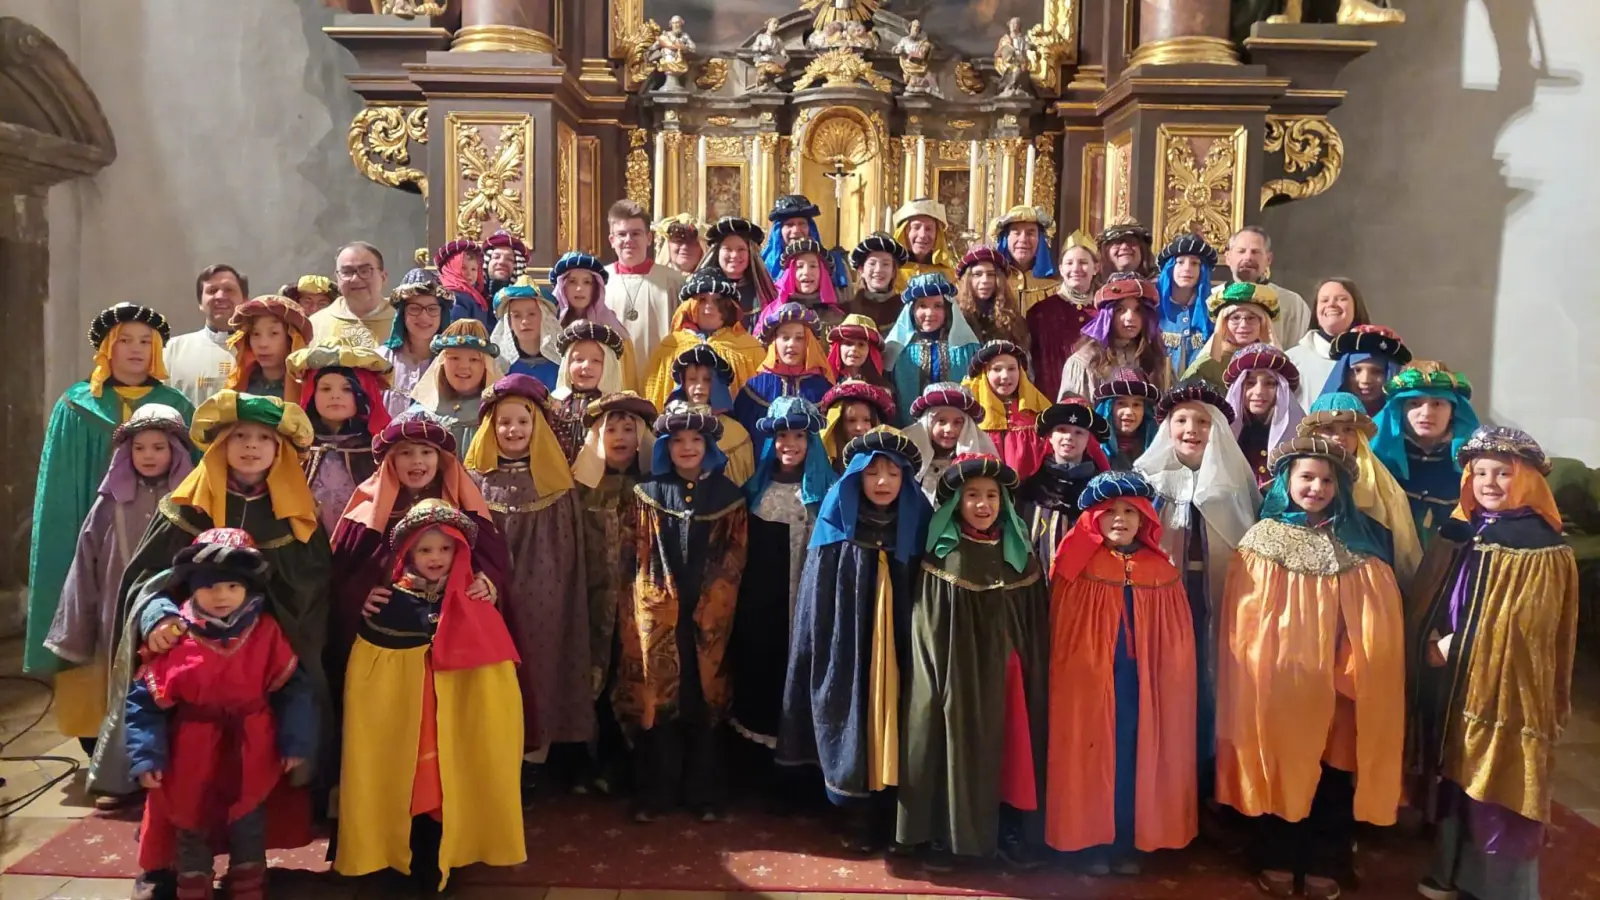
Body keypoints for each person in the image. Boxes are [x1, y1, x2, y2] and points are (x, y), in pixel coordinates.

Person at [105, 394, 331, 900]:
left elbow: (313, 592)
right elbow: (146, 580)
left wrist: (274, 628)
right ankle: (171, 865)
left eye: (264, 440)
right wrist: (158, 614)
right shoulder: (187, 507)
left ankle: (252, 865)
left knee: (257, 777)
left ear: (281, 451)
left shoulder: (297, 513)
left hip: (264, 663)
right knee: (181, 785)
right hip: (190, 662)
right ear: (222, 447)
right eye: (240, 439)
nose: (251, 448)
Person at [1215, 438, 1405, 900]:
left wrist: (1351, 666)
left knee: (1334, 770)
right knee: (1282, 763)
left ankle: (1327, 857)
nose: (1316, 487)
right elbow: (1245, 621)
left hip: (1341, 687)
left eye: (1326, 479)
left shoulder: (1363, 541)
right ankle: (1277, 854)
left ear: (1340, 486)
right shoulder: (1261, 543)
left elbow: (1377, 618)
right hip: (1283, 685)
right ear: (1286, 481)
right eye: (1306, 477)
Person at [1411, 427, 1578, 900]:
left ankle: (1502, 889)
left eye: (1503, 473)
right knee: (1458, 774)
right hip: (1460, 681)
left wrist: (1454, 645)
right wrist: (1435, 634)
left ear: (1526, 480)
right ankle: (1452, 870)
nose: (1488, 482)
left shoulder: (1538, 547)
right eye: (1479, 472)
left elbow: (1526, 628)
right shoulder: (1468, 527)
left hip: (1506, 685)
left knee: (1498, 778)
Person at [334, 499, 525, 893]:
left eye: (445, 548)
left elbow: (496, 683)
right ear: (408, 553)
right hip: (406, 726)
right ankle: (401, 863)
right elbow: (366, 676)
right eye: (425, 549)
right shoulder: (388, 604)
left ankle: (447, 860)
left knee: (449, 788)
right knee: (406, 789)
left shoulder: (475, 603)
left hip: (453, 728)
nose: (436, 558)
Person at [124, 528, 318, 900]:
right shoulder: (174, 637)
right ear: (192, 588)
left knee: (249, 820)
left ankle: (247, 885)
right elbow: (144, 703)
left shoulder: (265, 631)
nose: (222, 596)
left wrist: (296, 741)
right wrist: (145, 754)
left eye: (232, 586)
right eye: (211, 586)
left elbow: (294, 689)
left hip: (252, 747)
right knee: (190, 821)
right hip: (190, 751)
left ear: (248, 588)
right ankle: (193, 885)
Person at [26, 304, 193, 732]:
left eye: (145, 341)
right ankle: (92, 729)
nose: (136, 350)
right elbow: (60, 489)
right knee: (92, 617)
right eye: (125, 339)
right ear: (106, 348)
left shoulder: (176, 407)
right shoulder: (76, 405)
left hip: (158, 544)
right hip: (100, 540)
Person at [779, 427, 931, 852]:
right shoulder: (836, 523)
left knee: (902, 717)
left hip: (904, 646)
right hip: (849, 647)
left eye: (893, 474)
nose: (882, 482)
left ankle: (897, 813)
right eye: (872, 473)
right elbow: (816, 600)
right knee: (852, 714)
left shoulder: (918, 521)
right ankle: (856, 813)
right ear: (857, 478)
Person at [897, 453, 1049, 868]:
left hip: (1010, 677)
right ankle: (946, 835)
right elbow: (927, 627)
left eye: (992, 497)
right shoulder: (943, 557)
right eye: (973, 496)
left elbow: (1034, 620)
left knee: (1014, 752)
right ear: (956, 503)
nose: (983, 505)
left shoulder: (1021, 554)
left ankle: (1009, 828)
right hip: (956, 676)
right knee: (948, 746)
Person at [1045, 471, 1197, 873]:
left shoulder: (1160, 569)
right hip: (1090, 681)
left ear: (1145, 518)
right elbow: (1061, 632)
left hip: (1139, 682)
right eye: (1110, 511)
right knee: (1091, 753)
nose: (1120, 519)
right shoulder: (1075, 562)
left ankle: (1129, 839)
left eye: (1130, 511)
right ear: (1093, 517)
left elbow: (1176, 641)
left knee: (1134, 754)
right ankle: (1091, 842)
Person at [325, 413, 507, 738]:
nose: (417, 461)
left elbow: (494, 558)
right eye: (406, 452)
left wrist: (487, 580)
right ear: (390, 461)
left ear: (441, 458)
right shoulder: (366, 515)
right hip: (389, 645)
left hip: (455, 636)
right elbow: (340, 573)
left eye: (426, 451)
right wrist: (359, 595)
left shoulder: (463, 505)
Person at [46, 403, 194, 789]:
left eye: (158, 447)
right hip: (118, 612)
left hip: (174, 615)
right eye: (139, 448)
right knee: (126, 690)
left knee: (172, 688)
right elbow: (85, 563)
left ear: (175, 452)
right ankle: (120, 774)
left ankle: (172, 774)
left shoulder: (190, 505)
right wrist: (76, 625)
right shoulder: (109, 503)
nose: (148, 456)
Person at [615, 411, 748, 822]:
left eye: (696, 440)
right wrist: (653, 602)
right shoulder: (646, 492)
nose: (687, 447)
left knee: (701, 696)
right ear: (664, 447)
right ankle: (654, 793)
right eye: (677, 441)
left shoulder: (729, 496)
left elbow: (734, 556)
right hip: (658, 615)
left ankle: (703, 794)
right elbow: (633, 556)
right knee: (658, 697)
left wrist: (711, 603)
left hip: (708, 615)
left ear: (709, 447)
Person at [1135, 380, 1260, 798]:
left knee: (1210, 684)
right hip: (1163, 597)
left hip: (1216, 598)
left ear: (1218, 429)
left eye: (1203, 422)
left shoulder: (1233, 484)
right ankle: (1161, 785)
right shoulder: (1146, 479)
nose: (1191, 429)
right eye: (1182, 420)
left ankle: (1208, 785)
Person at [466, 375, 593, 783]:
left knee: (540, 662)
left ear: (536, 426)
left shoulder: (556, 483)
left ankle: (535, 758)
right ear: (490, 427)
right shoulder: (472, 481)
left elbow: (567, 551)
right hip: (486, 592)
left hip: (544, 589)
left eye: (522, 421)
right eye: (504, 422)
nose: (513, 430)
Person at [729, 397, 835, 793]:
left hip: (807, 604)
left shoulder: (828, 494)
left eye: (798, 437)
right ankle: (762, 774)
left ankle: (804, 773)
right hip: (764, 606)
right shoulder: (753, 490)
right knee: (763, 673)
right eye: (781, 437)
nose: (789, 444)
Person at [571, 391, 657, 794]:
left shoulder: (653, 489)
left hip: (638, 600)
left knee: (633, 677)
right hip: (588, 599)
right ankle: (591, 761)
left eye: (629, 429)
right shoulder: (578, 489)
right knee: (592, 678)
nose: (621, 437)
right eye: (612, 429)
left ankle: (631, 764)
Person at [1297, 392, 1422, 582]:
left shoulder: (1384, 488)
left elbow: (1401, 548)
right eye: (1329, 429)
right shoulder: (1294, 480)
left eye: (1348, 429)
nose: (1339, 437)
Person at [286, 338, 392, 534]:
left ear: (363, 393)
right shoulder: (295, 446)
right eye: (325, 388)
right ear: (311, 394)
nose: (335, 396)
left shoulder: (377, 449)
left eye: (347, 389)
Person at [1372, 361, 1481, 544]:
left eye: (1437, 404)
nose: (1426, 413)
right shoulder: (1376, 459)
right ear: (1400, 409)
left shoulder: (1476, 462)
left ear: (1453, 411)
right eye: (1414, 403)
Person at [642, 273, 766, 408]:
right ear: (690, 305)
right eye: (702, 300)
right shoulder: (670, 346)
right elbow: (654, 394)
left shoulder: (750, 348)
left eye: (717, 301)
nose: (709, 306)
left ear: (728, 306)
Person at [1017, 396, 1109, 571]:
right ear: (1050, 437)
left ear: (1088, 439)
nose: (1069, 437)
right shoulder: (1030, 490)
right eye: (1062, 429)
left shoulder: (1099, 490)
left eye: (1078, 432)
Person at [885, 273, 981, 424]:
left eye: (938, 306)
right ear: (912, 310)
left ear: (948, 310)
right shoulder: (896, 351)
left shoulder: (966, 349)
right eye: (922, 305)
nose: (930, 313)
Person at [1059, 274, 1172, 401]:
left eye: (1138, 310)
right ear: (1106, 316)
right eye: (1120, 309)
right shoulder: (1084, 362)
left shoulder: (1157, 359)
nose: (1130, 317)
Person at [734, 302, 836, 436]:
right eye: (785, 338)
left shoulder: (824, 390)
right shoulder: (753, 390)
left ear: (809, 343)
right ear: (774, 342)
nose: (791, 344)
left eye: (799, 338)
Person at [408, 319, 505, 455]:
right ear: (442, 363)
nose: (463, 366)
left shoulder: (499, 413)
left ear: (486, 366)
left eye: (474, 360)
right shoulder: (420, 415)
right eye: (454, 358)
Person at [666, 343, 757, 486]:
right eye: (692, 379)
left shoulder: (736, 433)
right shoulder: (670, 424)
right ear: (683, 384)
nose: (699, 385)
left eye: (707, 380)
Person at [605, 199, 684, 362]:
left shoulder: (673, 281)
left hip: (661, 374)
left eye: (636, 233)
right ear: (612, 241)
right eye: (621, 234)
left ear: (649, 238)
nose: (628, 240)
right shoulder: (600, 280)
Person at [965, 339, 1053, 482]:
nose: (1005, 376)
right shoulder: (970, 413)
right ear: (984, 372)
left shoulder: (1038, 410)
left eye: (1012, 368)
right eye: (997, 369)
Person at [550, 251, 641, 389]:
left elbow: (625, 383)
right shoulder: (548, 326)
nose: (579, 289)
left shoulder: (615, 332)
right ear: (562, 286)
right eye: (572, 282)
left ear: (596, 288)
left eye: (587, 282)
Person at [1029, 231, 1098, 402]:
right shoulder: (1040, 312)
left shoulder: (1104, 312)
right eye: (1069, 263)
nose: (1076, 269)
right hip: (1050, 402)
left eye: (1083, 262)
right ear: (1061, 269)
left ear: (1096, 268)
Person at [1224, 343, 1306, 488]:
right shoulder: (1223, 433)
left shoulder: (1299, 433)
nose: (1259, 391)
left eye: (1269, 384)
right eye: (1250, 383)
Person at [902, 382, 999, 503]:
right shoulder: (907, 461)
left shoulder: (982, 458)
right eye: (941, 421)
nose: (949, 429)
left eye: (957, 422)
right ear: (928, 423)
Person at [165, 264, 247, 408]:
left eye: (229, 290)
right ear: (200, 303)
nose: (220, 296)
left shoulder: (259, 349)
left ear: (245, 301)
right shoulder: (172, 350)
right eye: (212, 290)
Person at [548, 321, 630, 463]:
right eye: (578, 359)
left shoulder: (618, 406)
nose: (586, 366)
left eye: (596, 361)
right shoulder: (554, 403)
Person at [1216, 226, 1310, 348]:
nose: (1248, 257)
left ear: (1269, 259)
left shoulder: (1293, 304)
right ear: (1228, 258)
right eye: (1241, 251)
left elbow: (1299, 354)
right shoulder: (1213, 299)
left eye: (1255, 252)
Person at [1285, 277, 1370, 410]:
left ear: (1356, 307)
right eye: (1324, 300)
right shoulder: (1292, 360)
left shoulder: (1373, 358)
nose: (1331, 304)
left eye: (1341, 299)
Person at [378, 270, 451, 417]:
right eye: (414, 308)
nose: (424, 316)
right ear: (401, 314)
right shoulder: (380, 360)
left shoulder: (452, 361)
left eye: (432, 309)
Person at [1184, 281, 1281, 387]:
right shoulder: (1204, 368)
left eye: (1251, 318)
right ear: (1224, 324)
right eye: (1235, 318)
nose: (1243, 325)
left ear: (1262, 323)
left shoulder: (1277, 364)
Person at [225, 295, 314, 403]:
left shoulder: (312, 387)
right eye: (255, 334)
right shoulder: (239, 384)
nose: (263, 344)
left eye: (274, 333)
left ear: (292, 339)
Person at [1155, 234, 1219, 377]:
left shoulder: (1215, 312)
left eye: (1195, 263)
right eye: (1180, 262)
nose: (1187, 269)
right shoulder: (1152, 309)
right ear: (1170, 268)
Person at [697, 215, 778, 324]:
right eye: (727, 249)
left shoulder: (763, 293)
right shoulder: (700, 291)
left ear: (750, 254)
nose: (734, 255)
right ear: (717, 253)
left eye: (741, 249)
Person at [488, 276, 563, 388]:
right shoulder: (499, 367)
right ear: (509, 322)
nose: (525, 321)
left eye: (532, 314)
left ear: (544, 318)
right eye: (517, 316)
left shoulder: (562, 364)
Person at [1319, 324, 1411, 414]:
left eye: (1377, 371)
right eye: (1357, 370)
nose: (1365, 380)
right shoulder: (1325, 415)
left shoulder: (1407, 416)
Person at [315, 241, 394, 344]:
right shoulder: (317, 323)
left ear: (383, 277)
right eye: (347, 272)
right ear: (336, 279)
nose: (355, 279)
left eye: (365, 271)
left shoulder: (405, 323)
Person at [762, 237, 845, 332]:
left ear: (823, 273)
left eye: (813, 266)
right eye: (799, 266)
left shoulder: (837, 318)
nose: (806, 272)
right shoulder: (773, 314)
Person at [763, 193, 845, 288]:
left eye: (802, 224)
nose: (796, 230)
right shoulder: (762, 267)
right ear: (778, 231)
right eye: (789, 225)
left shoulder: (833, 265)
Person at [993, 205, 1063, 314]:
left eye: (1030, 233)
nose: (1023, 239)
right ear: (1005, 238)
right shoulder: (990, 280)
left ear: (1040, 239)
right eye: (1016, 232)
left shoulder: (1057, 285)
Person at [955, 245, 1028, 347]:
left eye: (991, 274)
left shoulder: (1012, 319)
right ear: (967, 279)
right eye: (977, 274)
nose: (985, 280)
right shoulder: (954, 316)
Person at [1093, 368, 1161, 471]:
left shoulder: (1157, 449)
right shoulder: (1091, 451)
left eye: (1136, 404)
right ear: (1109, 409)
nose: (1129, 412)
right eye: (1121, 403)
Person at [819, 380, 896, 466]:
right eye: (851, 420)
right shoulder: (823, 465)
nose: (859, 427)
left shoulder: (889, 460)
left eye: (866, 420)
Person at [891, 197, 958, 292]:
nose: (922, 235)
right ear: (903, 232)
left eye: (929, 229)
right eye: (916, 227)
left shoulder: (950, 276)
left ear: (937, 234)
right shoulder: (891, 273)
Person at [844, 232, 907, 333]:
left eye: (885, 264)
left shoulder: (905, 311)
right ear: (861, 270)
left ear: (894, 272)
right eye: (872, 263)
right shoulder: (846, 311)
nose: (878, 270)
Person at [434, 239, 493, 333]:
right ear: (451, 269)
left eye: (473, 269)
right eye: (463, 268)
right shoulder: (453, 296)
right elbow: (458, 331)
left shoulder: (474, 295)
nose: (469, 273)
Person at [827, 314, 889, 387]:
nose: (854, 348)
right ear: (838, 348)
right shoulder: (826, 384)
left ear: (871, 351)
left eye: (861, 344)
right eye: (848, 343)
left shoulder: (883, 389)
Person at [481, 229, 530, 301]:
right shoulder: (473, 298)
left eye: (509, 259)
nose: (501, 262)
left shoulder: (527, 300)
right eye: (496, 257)